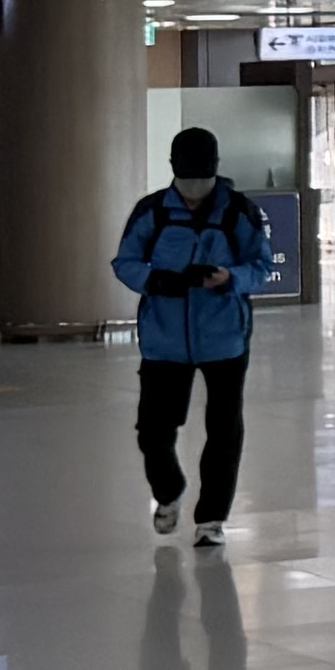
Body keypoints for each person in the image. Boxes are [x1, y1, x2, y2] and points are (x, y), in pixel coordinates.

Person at [113, 129, 272, 544]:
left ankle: (212, 520)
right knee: (153, 431)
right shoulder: (152, 211)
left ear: (215, 171)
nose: (194, 190)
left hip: (225, 338)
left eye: (202, 181)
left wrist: (229, 279)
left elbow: (261, 265)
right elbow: (125, 261)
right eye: (187, 181)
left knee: (224, 430)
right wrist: (156, 281)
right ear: (173, 171)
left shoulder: (239, 211)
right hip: (164, 340)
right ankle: (168, 491)